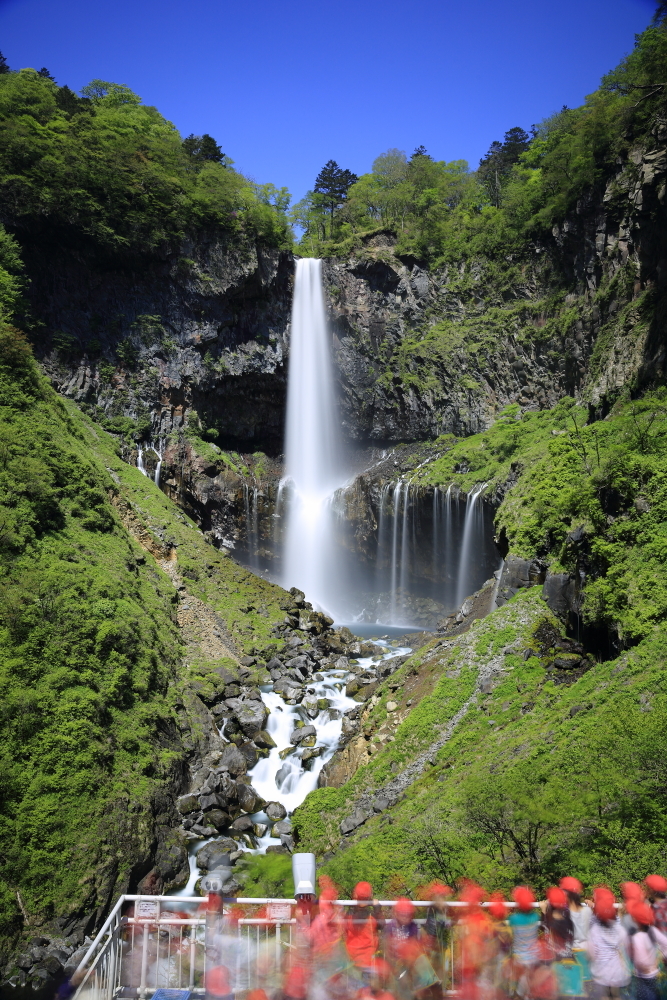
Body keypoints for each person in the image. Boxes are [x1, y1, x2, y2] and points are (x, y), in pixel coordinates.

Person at [384, 898, 440, 1000]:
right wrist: (394, 966)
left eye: (409, 914)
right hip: (397, 963)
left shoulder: (413, 926)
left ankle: (431, 983)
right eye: (403, 914)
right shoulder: (390, 927)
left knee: (422, 961)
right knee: (403, 988)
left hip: (411, 960)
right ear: (396, 914)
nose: (406, 917)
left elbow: (414, 948)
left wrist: (410, 964)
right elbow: (387, 949)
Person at [587, 887, 630, 1000]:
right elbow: (624, 941)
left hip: (601, 968)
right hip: (616, 968)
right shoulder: (617, 925)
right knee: (616, 995)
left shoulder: (595, 928)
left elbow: (592, 952)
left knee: (604, 996)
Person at [626, 901, 667, 1000]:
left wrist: (644, 966)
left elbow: (639, 960)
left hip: (642, 976)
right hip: (655, 974)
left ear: (635, 919)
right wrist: (660, 958)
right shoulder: (653, 930)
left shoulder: (636, 936)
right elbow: (665, 943)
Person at [560, 877, 592, 992]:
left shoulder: (564, 914)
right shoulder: (588, 911)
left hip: (571, 954)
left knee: (572, 989)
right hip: (585, 953)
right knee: (585, 989)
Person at [509, 886, 541, 998]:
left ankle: (518, 994)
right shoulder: (535, 916)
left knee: (521, 987)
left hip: (520, 958)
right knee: (528, 983)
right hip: (533, 956)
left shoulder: (513, 918)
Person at [424, 883, 453, 986]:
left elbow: (448, 924)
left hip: (443, 947)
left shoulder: (446, 910)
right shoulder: (431, 910)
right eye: (439, 897)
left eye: (443, 897)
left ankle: (441, 989)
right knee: (432, 974)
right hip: (433, 947)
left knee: (443, 974)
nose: (442, 900)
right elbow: (432, 928)